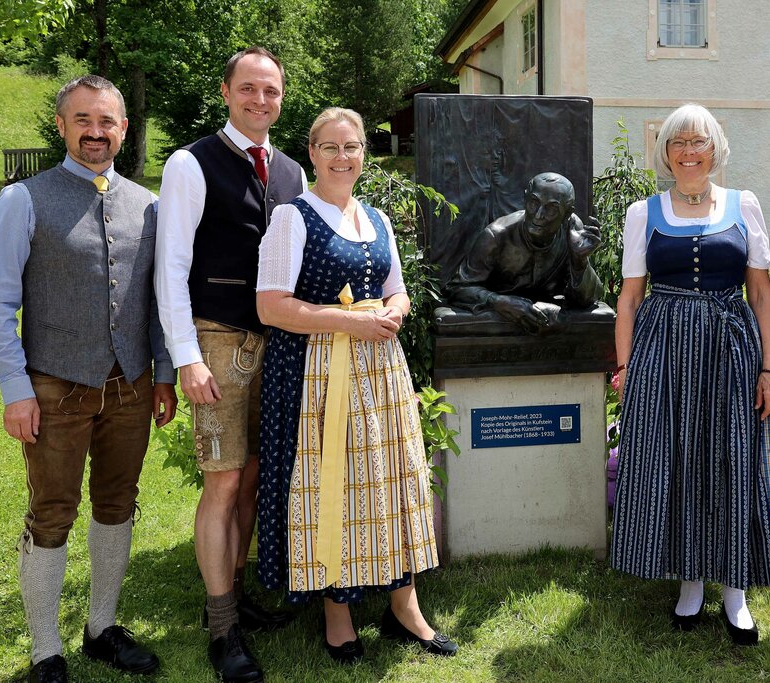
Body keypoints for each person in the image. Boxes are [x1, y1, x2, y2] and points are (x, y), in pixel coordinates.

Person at [0, 74, 177, 683]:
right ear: (61, 127)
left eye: (107, 121)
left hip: (132, 388)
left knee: (117, 505)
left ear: (123, 129)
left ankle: (101, 628)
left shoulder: (149, 204)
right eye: (83, 120)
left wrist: (162, 376)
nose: (96, 132)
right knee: (52, 513)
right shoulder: (23, 200)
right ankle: (45, 650)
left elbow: (159, 303)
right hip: (54, 389)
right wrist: (15, 389)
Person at [256, 107, 457, 664]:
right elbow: (271, 307)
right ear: (312, 154)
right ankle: (337, 611)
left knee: (391, 479)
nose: (343, 158)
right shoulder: (293, 218)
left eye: (352, 147)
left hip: (380, 369)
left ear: (365, 152)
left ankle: (404, 605)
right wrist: (353, 322)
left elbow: (398, 290)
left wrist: (393, 310)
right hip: (318, 371)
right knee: (333, 484)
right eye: (330, 148)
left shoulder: (377, 217)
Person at [610, 103, 770, 646]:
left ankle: (735, 592)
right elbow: (629, 300)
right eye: (678, 144)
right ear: (665, 154)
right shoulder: (642, 212)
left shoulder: (744, 204)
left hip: (730, 348)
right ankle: (690, 584)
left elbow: (762, 293)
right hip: (664, 350)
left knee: (732, 455)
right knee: (676, 457)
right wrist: (626, 367)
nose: (689, 152)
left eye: (699, 142)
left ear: (715, 148)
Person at [155, 46, 306, 682]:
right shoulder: (191, 163)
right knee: (221, 483)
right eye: (249, 89)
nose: (260, 101)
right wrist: (186, 358)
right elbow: (171, 268)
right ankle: (221, 629)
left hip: (279, 343)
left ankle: (236, 596)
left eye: (270, 91)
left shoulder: (293, 172)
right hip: (216, 340)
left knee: (249, 480)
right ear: (226, 92)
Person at [448, 172, 604, 332]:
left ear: (567, 213)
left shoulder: (571, 230)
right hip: (503, 314)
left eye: (551, 209)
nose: (538, 215)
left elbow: (589, 299)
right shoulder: (496, 236)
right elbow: (457, 288)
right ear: (525, 198)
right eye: (533, 203)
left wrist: (580, 261)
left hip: (545, 314)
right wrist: (498, 301)